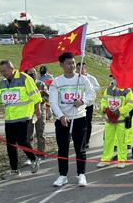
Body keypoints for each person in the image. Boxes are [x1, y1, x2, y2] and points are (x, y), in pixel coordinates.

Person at [0, 60, 41, 179]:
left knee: (22, 140)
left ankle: (34, 159)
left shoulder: (24, 78)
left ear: (11, 68)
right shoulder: (2, 83)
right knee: (10, 144)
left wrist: (38, 108)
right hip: (9, 118)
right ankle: (14, 170)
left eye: (4, 70)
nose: (2, 73)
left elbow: (35, 94)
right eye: (0, 71)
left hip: (24, 116)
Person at [49, 52, 96, 187]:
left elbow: (92, 94)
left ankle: (81, 174)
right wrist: (61, 116)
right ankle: (63, 176)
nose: (72, 66)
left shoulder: (82, 79)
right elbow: (53, 102)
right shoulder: (57, 82)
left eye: (73, 63)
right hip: (63, 120)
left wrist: (82, 101)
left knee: (79, 149)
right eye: (69, 63)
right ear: (62, 65)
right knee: (62, 149)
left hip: (79, 118)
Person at [97, 81, 133, 168]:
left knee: (122, 141)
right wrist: (104, 109)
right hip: (109, 120)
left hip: (121, 121)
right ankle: (105, 160)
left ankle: (121, 160)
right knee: (108, 141)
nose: (116, 79)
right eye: (115, 77)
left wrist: (119, 111)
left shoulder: (127, 90)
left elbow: (130, 104)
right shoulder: (108, 89)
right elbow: (104, 101)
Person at [25, 68, 48, 161]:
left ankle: (41, 154)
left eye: (34, 73)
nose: (32, 75)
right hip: (27, 111)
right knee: (28, 134)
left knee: (40, 132)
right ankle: (30, 156)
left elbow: (47, 96)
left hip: (40, 111)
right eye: (30, 73)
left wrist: (39, 100)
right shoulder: (23, 84)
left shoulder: (40, 84)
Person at [77, 62, 100, 150]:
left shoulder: (91, 78)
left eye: (82, 68)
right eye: (78, 68)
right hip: (79, 104)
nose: (80, 70)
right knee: (79, 122)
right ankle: (79, 139)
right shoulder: (76, 78)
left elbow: (98, 88)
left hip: (88, 104)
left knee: (87, 122)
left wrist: (90, 87)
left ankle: (86, 141)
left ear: (85, 69)